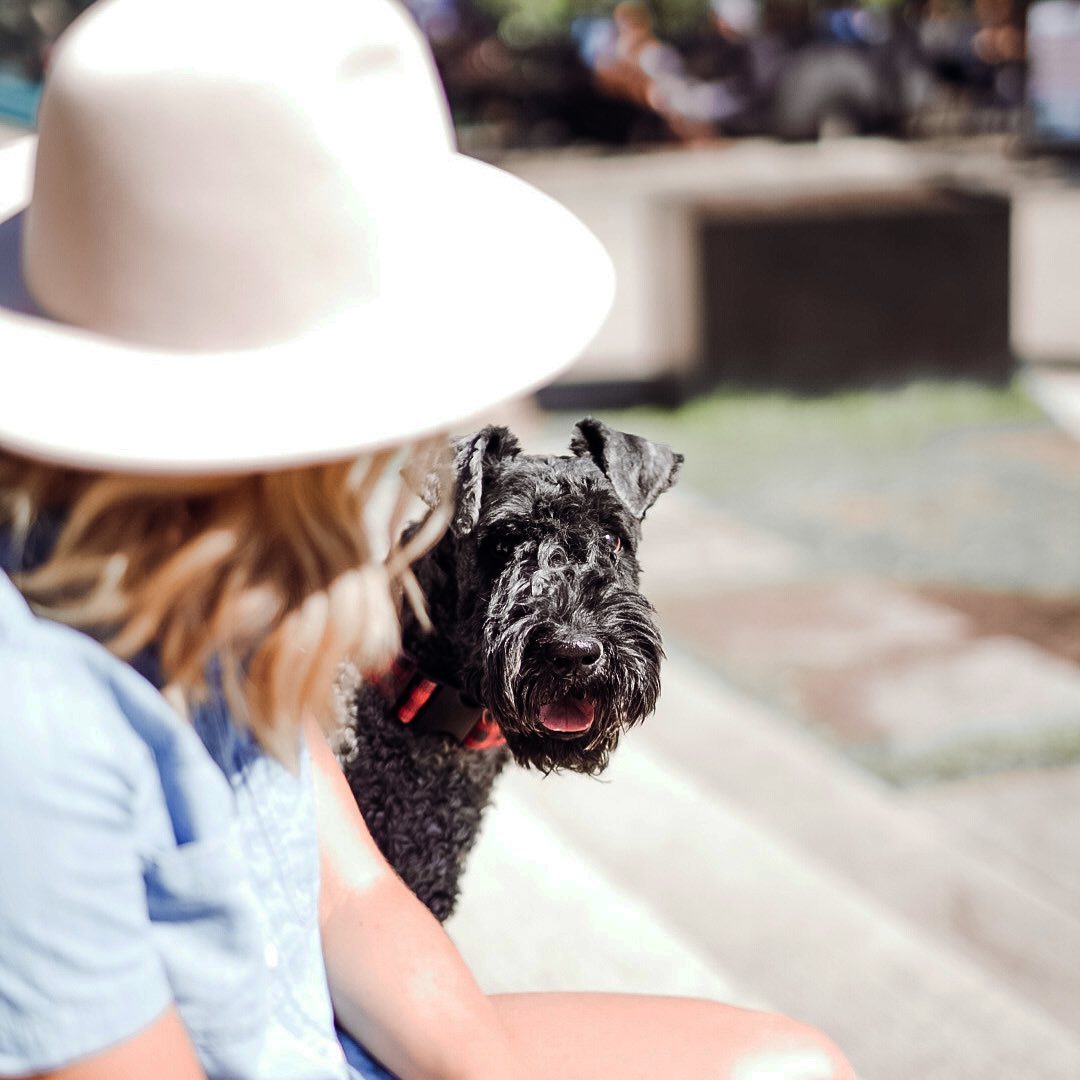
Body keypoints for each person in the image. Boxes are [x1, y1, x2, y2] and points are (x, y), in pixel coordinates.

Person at [0, 0, 856, 1078]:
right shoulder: (37, 727)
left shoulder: (218, 600)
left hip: (301, 1028)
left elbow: (346, 895)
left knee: (787, 1064)